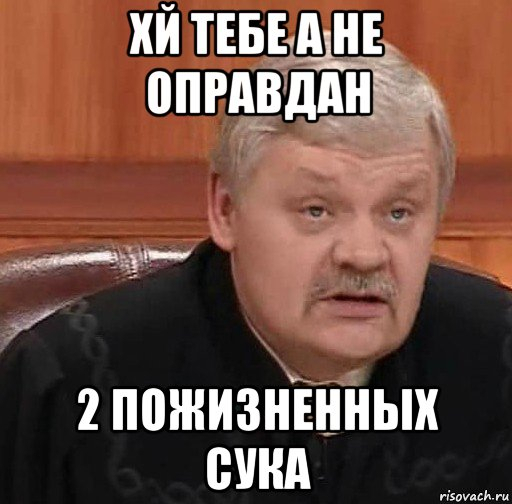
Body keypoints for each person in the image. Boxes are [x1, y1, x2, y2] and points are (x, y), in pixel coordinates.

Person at [0, 33, 511, 504]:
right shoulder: (67, 385)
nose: (363, 254)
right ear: (226, 210)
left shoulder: (498, 356)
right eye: (317, 210)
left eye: (398, 213)